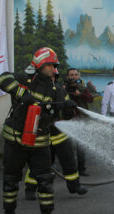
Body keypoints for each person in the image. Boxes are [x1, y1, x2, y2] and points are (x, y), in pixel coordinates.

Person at [0, 47, 77, 214]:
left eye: (54, 65)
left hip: (40, 143)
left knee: (46, 180)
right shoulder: (24, 79)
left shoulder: (56, 88)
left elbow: (62, 114)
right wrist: (21, 93)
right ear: (40, 64)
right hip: (15, 140)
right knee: (10, 179)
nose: (53, 68)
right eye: (49, 65)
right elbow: (2, 79)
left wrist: (68, 108)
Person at [24, 68, 88, 200]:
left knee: (69, 160)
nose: (51, 78)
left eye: (54, 76)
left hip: (58, 133)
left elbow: (66, 115)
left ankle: (74, 186)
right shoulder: (35, 89)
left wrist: (68, 108)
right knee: (38, 163)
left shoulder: (60, 91)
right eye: (50, 76)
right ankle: (30, 189)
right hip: (42, 133)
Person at [65, 68, 94, 176]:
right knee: (67, 148)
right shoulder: (63, 88)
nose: (73, 77)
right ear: (67, 77)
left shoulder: (82, 88)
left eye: (75, 75)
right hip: (68, 120)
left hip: (81, 120)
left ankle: (81, 169)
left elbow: (90, 99)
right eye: (71, 75)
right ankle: (69, 170)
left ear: (78, 76)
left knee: (80, 146)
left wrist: (80, 95)